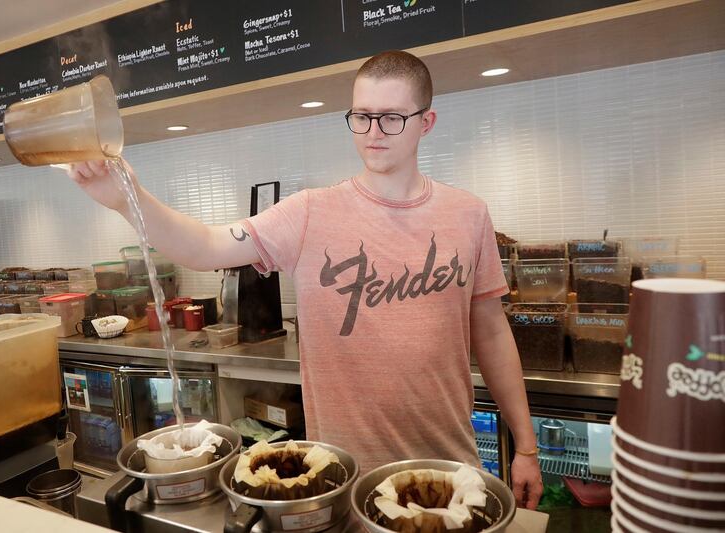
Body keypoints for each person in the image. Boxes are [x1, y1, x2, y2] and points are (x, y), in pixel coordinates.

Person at [69, 50, 543, 509]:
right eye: (362, 116)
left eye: (392, 117)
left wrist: (526, 446)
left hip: (448, 475)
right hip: (340, 482)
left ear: (426, 122)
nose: (374, 132)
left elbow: (491, 330)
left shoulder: (468, 214)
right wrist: (123, 198)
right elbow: (206, 247)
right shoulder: (310, 212)